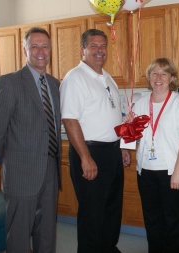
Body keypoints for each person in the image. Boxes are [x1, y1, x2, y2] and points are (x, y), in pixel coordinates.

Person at [0, 27, 61, 253]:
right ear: (24, 49)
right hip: (21, 174)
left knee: (47, 234)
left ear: (50, 51)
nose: (40, 51)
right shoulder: (9, 83)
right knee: (18, 236)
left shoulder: (55, 85)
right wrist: (12, 161)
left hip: (50, 172)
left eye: (45, 46)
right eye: (34, 46)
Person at [60, 29, 130, 253]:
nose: (100, 51)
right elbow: (70, 120)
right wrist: (85, 158)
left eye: (103, 46)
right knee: (92, 214)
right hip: (90, 153)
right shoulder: (75, 78)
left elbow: (111, 117)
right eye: (93, 46)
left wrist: (120, 146)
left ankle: (108, 248)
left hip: (111, 153)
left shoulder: (107, 78)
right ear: (83, 50)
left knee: (111, 208)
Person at [124, 57, 179, 253]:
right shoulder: (139, 103)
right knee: (152, 220)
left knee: (172, 222)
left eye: (164, 73)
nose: (158, 77)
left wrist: (178, 172)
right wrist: (129, 125)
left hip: (172, 171)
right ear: (148, 77)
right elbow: (134, 138)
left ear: (171, 78)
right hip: (146, 172)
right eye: (154, 73)